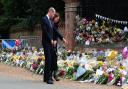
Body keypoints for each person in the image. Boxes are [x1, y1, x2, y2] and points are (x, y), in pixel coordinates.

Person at [41, 7, 56, 84]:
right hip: (46, 42)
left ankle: (46, 77)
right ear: (50, 12)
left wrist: (54, 39)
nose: (54, 16)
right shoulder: (44, 19)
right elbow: (45, 31)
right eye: (53, 14)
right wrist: (50, 39)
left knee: (50, 59)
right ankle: (48, 78)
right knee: (49, 59)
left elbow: (53, 31)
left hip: (50, 43)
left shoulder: (51, 21)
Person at [51, 13, 67, 81]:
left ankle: (55, 74)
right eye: (57, 19)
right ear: (54, 18)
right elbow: (56, 32)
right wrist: (62, 38)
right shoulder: (51, 24)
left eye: (58, 19)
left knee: (55, 58)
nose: (58, 20)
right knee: (52, 59)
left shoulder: (56, 24)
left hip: (55, 43)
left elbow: (56, 33)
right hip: (51, 43)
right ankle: (52, 75)